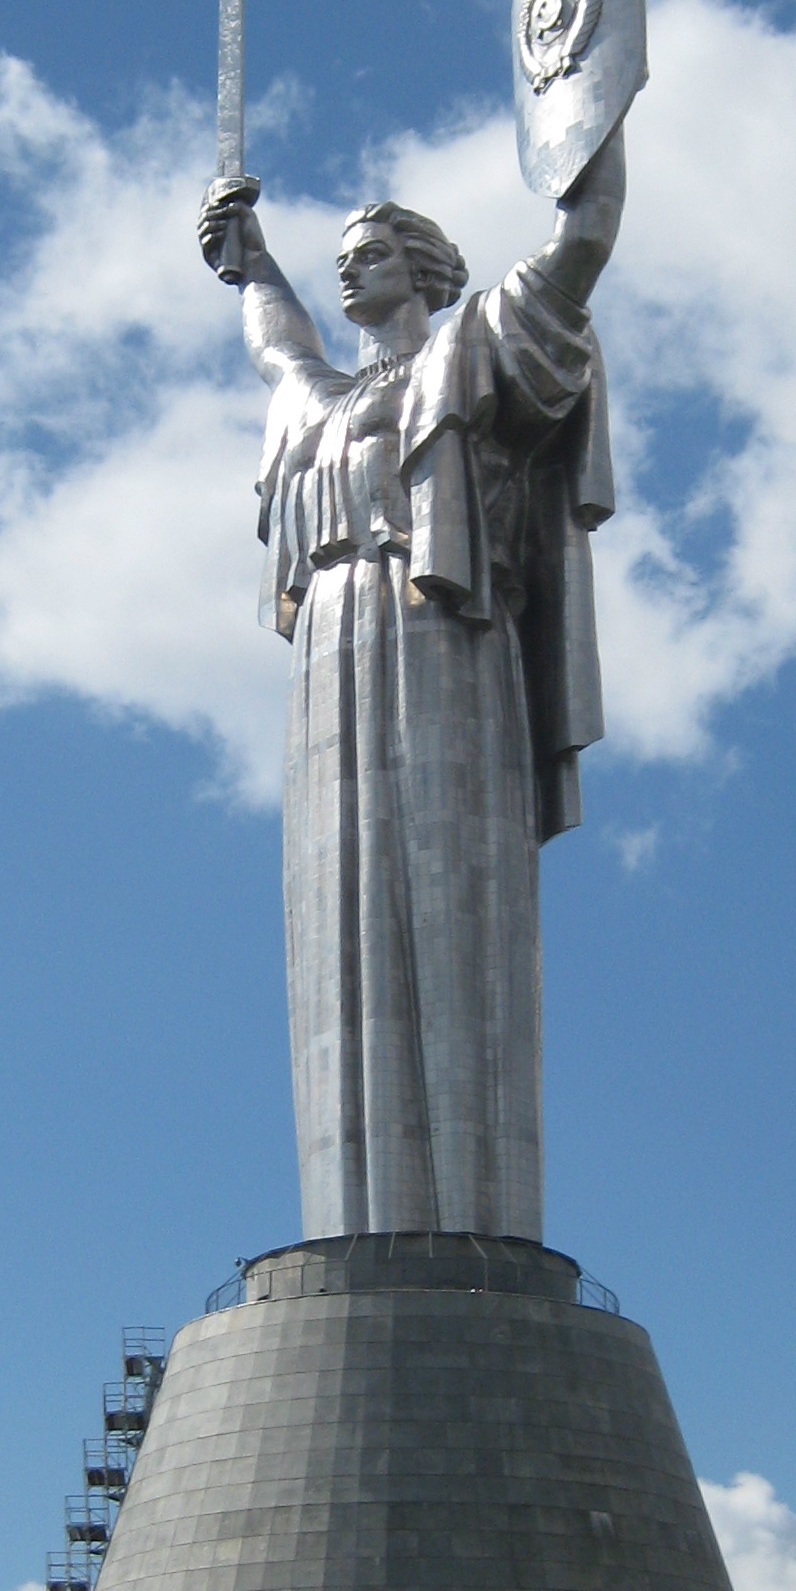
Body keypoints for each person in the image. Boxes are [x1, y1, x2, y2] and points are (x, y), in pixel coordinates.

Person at [198, 127, 622, 1242]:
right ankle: (355, 1235)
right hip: (329, 645)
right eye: (344, 255)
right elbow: (275, 346)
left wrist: (588, 113)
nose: (353, 265)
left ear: (429, 268)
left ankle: (473, 1230)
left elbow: (583, 247)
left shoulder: (473, 352)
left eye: (375, 248)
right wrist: (252, 262)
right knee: (338, 920)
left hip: (445, 627)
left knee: (451, 907)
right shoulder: (321, 405)